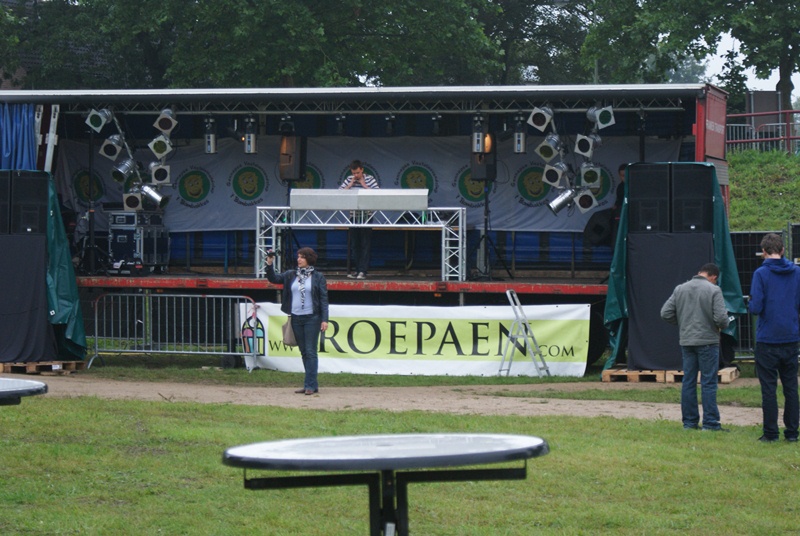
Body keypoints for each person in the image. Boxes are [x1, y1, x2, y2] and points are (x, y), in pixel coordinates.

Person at [660, 263, 730, 431]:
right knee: (708, 382)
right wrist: (722, 325)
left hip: (687, 341)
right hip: (708, 341)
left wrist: (683, 324)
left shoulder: (680, 289)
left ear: (700, 272)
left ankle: (690, 423)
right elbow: (721, 318)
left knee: (688, 381)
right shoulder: (714, 290)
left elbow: (665, 313)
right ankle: (710, 423)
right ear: (714, 277)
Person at [748, 233, 800, 443]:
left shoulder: (761, 274)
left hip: (768, 338)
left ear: (764, 252)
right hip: (790, 336)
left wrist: (750, 303)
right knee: (791, 387)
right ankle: (792, 432)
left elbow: (756, 307)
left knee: (769, 388)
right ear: (782, 250)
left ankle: (771, 433)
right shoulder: (796, 272)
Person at [266, 247, 329, 395]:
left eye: (302, 257)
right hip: (296, 317)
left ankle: (309, 385)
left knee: (311, 351)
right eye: (298, 257)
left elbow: (323, 299)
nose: (298, 259)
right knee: (304, 352)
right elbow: (274, 279)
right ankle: (311, 384)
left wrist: (324, 319)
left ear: (309, 259)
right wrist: (269, 263)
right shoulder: (291, 274)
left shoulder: (318, 277)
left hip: (312, 317)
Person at [339, 159, 379, 279]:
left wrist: (364, 185)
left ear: (362, 170)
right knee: (355, 244)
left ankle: (363, 271)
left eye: (357, 173)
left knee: (365, 243)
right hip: (353, 216)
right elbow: (339, 193)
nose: (356, 175)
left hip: (367, 215)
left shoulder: (370, 179)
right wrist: (350, 185)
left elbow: (378, 193)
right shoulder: (349, 179)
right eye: (354, 173)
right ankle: (357, 270)